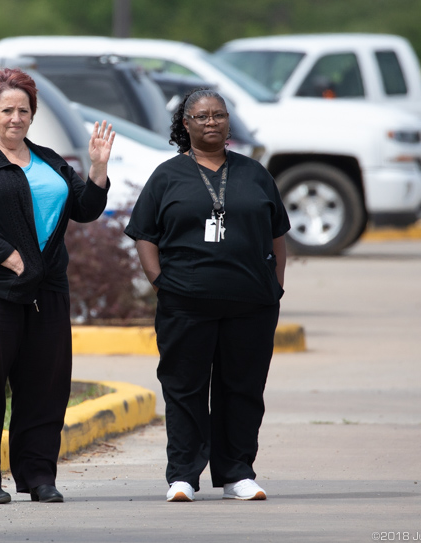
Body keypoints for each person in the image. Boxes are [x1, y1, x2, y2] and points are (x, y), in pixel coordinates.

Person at [0, 68, 115, 504]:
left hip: (46, 287)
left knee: (46, 384)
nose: (15, 118)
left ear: (32, 115)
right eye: (6, 110)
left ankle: (38, 476)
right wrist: (10, 256)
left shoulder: (50, 160)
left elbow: (85, 209)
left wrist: (97, 170)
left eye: (23, 110)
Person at [124, 88, 289, 502]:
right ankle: (182, 475)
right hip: (185, 303)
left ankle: (238, 474)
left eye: (219, 115)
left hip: (251, 304)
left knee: (243, 389)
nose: (211, 122)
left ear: (229, 121)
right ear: (186, 124)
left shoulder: (254, 173)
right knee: (185, 387)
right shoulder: (167, 176)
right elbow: (145, 235)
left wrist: (275, 286)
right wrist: (160, 281)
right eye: (201, 117)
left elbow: (277, 234)